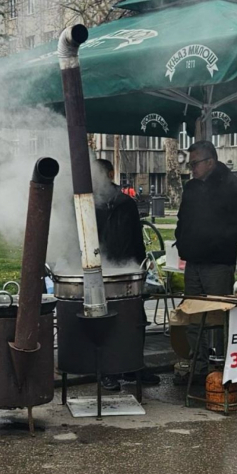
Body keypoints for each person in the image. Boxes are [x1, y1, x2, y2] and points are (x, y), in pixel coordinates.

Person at [174, 141, 237, 382]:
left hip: (217, 262)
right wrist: (182, 240)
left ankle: (225, 368)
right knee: (194, 316)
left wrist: (215, 242)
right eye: (190, 164)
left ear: (210, 162)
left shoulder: (232, 186)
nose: (191, 168)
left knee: (218, 316)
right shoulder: (191, 187)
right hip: (193, 260)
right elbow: (183, 218)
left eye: (195, 163)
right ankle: (198, 366)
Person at [93, 159, 160, 389]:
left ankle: (133, 366)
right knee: (107, 321)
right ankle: (108, 370)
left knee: (134, 319)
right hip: (101, 268)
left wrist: (140, 267)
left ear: (110, 174)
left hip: (127, 267)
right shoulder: (89, 203)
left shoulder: (125, 202)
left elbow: (136, 237)